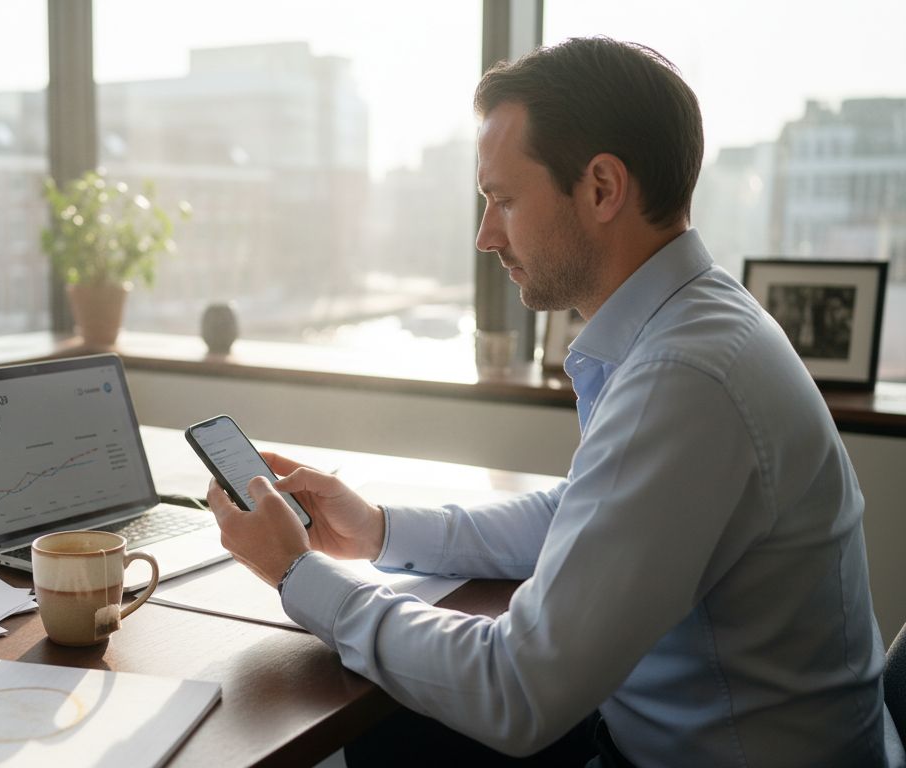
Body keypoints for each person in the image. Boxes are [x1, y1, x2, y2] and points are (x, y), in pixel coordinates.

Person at [206, 37, 903, 767]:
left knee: (384, 726)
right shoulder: (695, 323)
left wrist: (297, 574)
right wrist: (379, 530)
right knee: (398, 725)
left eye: (503, 200)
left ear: (602, 188)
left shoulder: (688, 375)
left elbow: (516, 691)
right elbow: (585, 507)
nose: (484, 235)